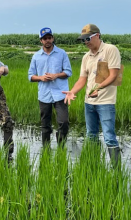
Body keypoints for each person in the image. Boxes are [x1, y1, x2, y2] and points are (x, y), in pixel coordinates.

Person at [63, 24, 121, 168]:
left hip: (106, 102)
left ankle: (117, 170)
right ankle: (94, 166)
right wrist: (73, 91)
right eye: (83, 40)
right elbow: (82, 79)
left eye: (87, 38)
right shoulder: (86, 57)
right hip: (89, 102)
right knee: (91, 135)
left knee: (109, 137)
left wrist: (99, 87)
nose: (85, 42)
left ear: (97, 35)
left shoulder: (110, 50)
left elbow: (114, 75)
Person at [28, 27, 72, 148]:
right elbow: (30, 76)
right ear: (41, 40)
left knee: (64, 122)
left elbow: (68, 72)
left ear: (52, 38)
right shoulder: (36, 56)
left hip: (60, 93)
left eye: (49, 38)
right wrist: (41, 78)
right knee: (45, 124)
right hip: (44, 94)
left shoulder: (62, 53)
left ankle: (61, 145)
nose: (47, 40)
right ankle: (46, 149)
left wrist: (56, 75)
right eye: (45, 38)